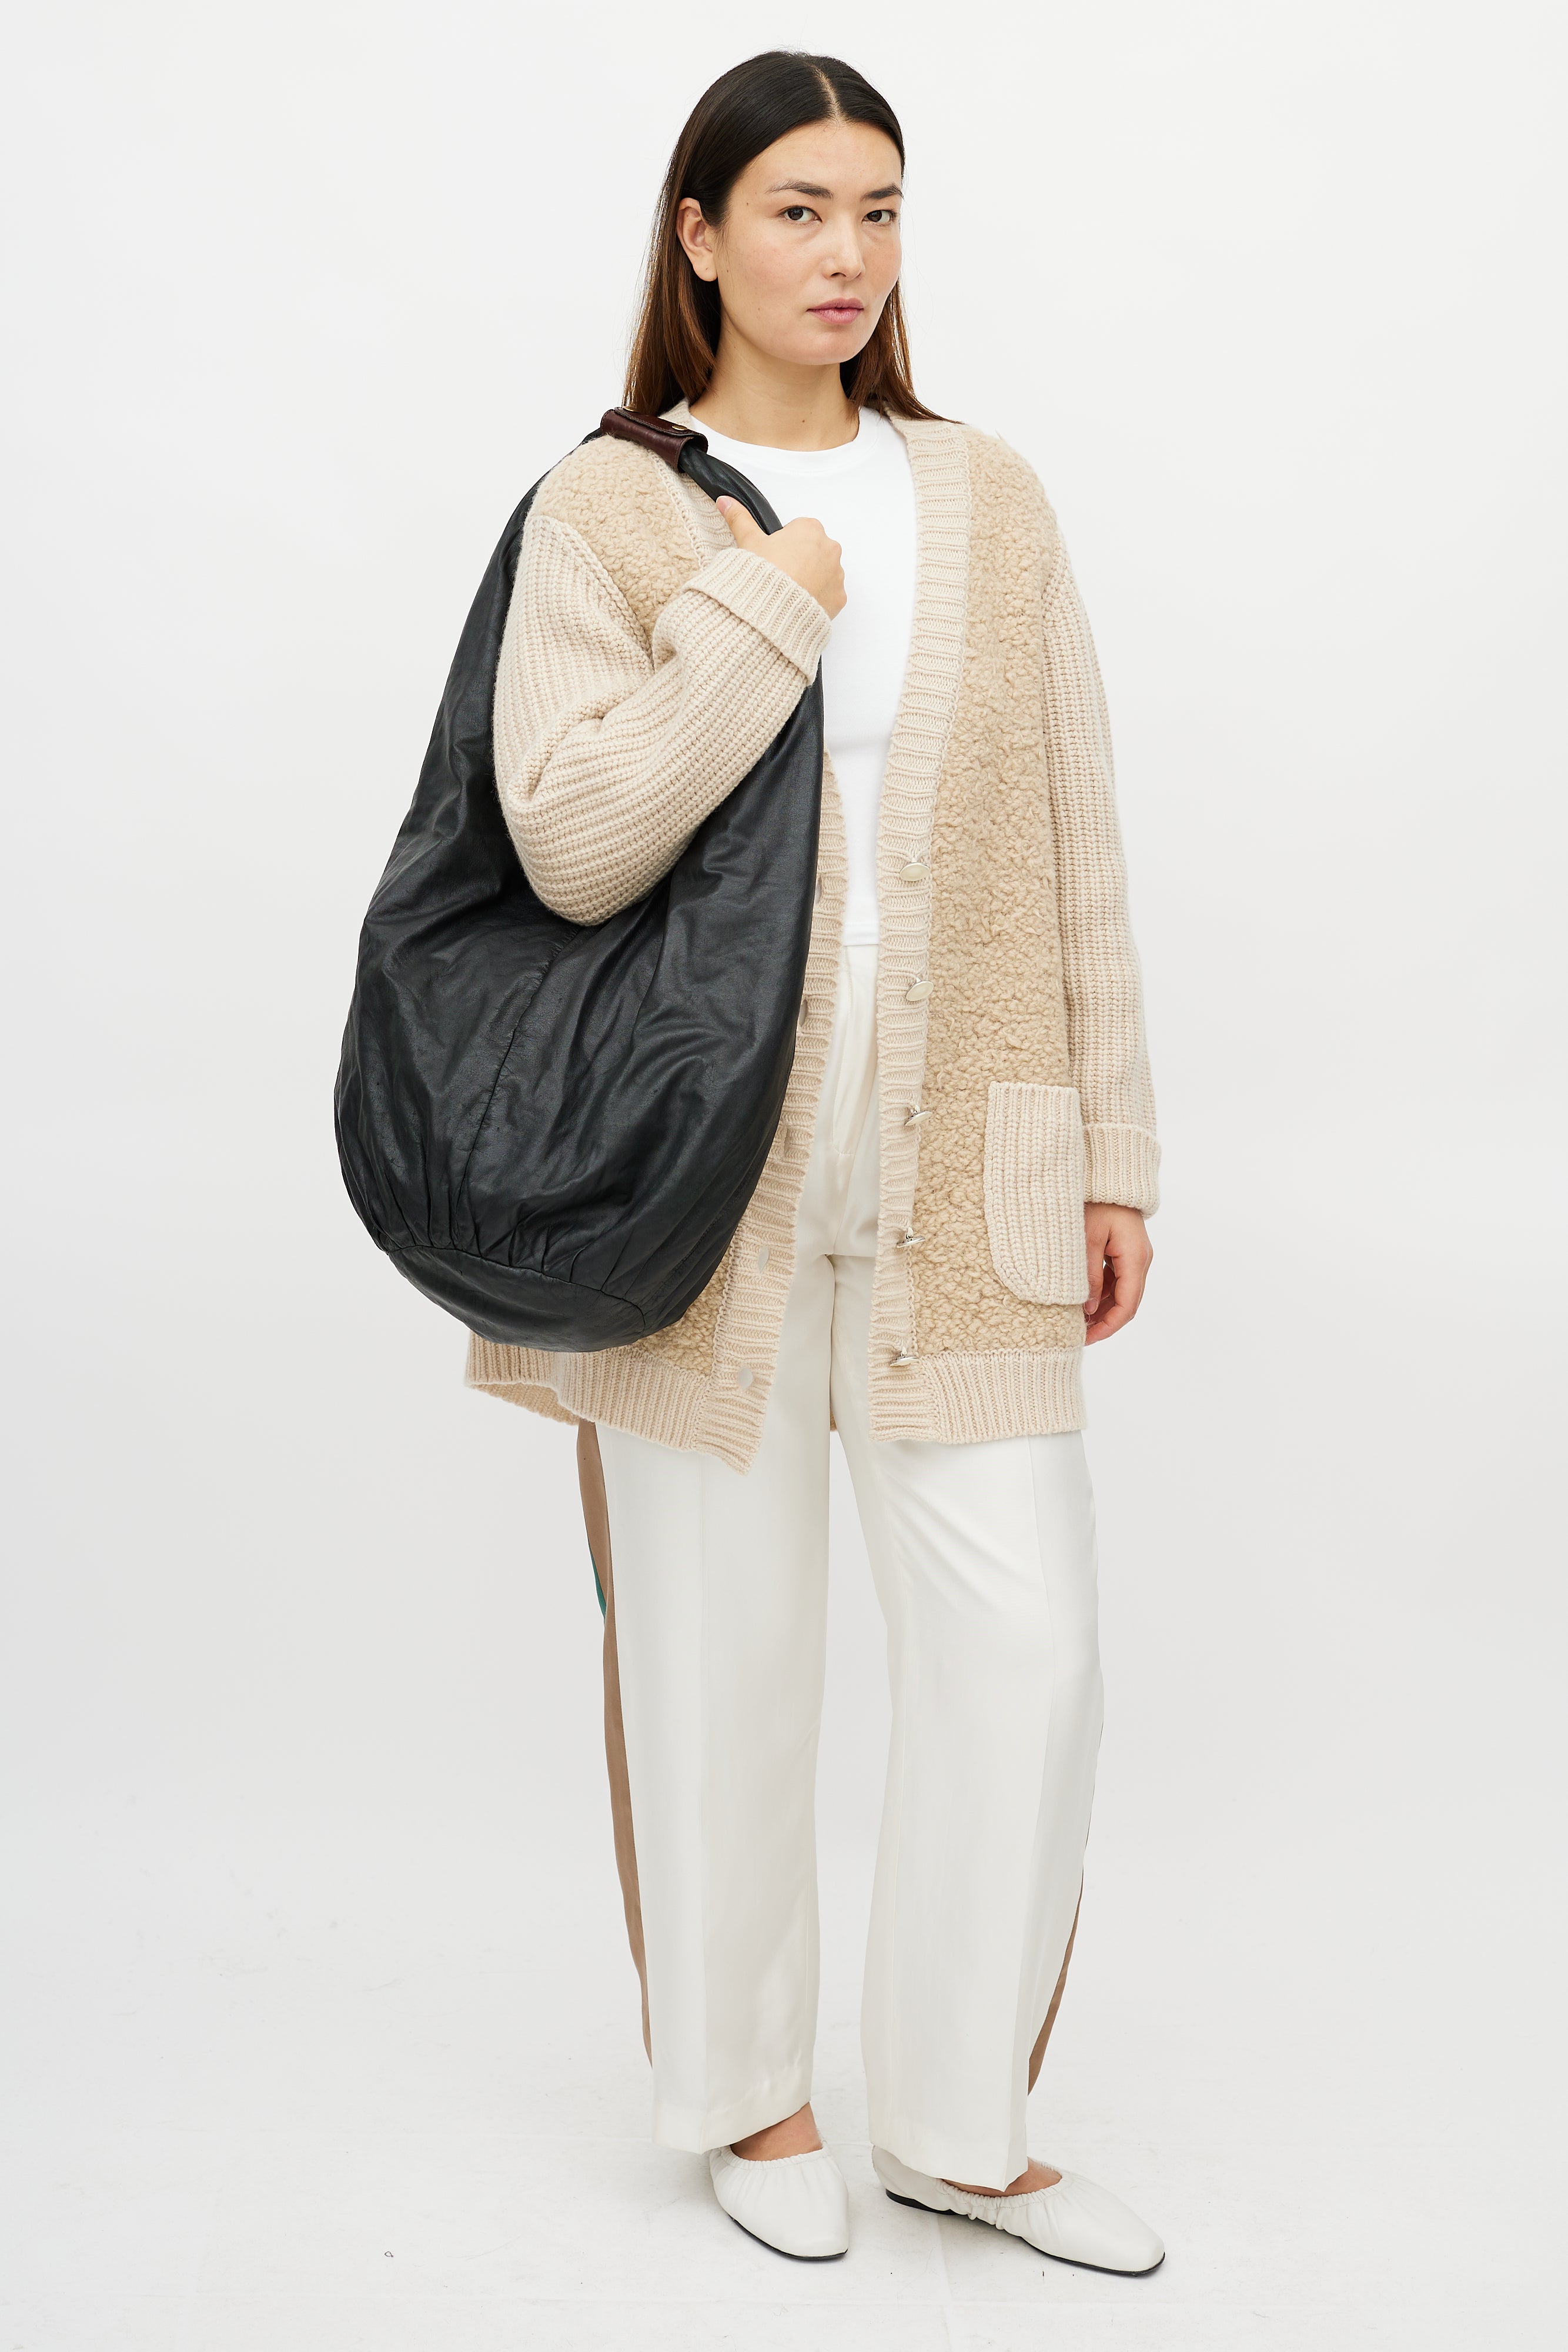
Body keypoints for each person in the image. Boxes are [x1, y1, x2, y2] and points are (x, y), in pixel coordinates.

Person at [467, 50, 1163, 2272]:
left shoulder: (990, 496)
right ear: (697, 237)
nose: (844, 254)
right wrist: (773, 601)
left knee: (1025, 1651)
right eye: (793, 209)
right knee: (716, 1657)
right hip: (693, 1195)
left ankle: (961, 2124)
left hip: (971, 1172)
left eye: (876, 209)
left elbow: (1071, 828)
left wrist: (1116, 1152)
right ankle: (748, 2096)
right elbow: (573, 838)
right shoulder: (604, 513)